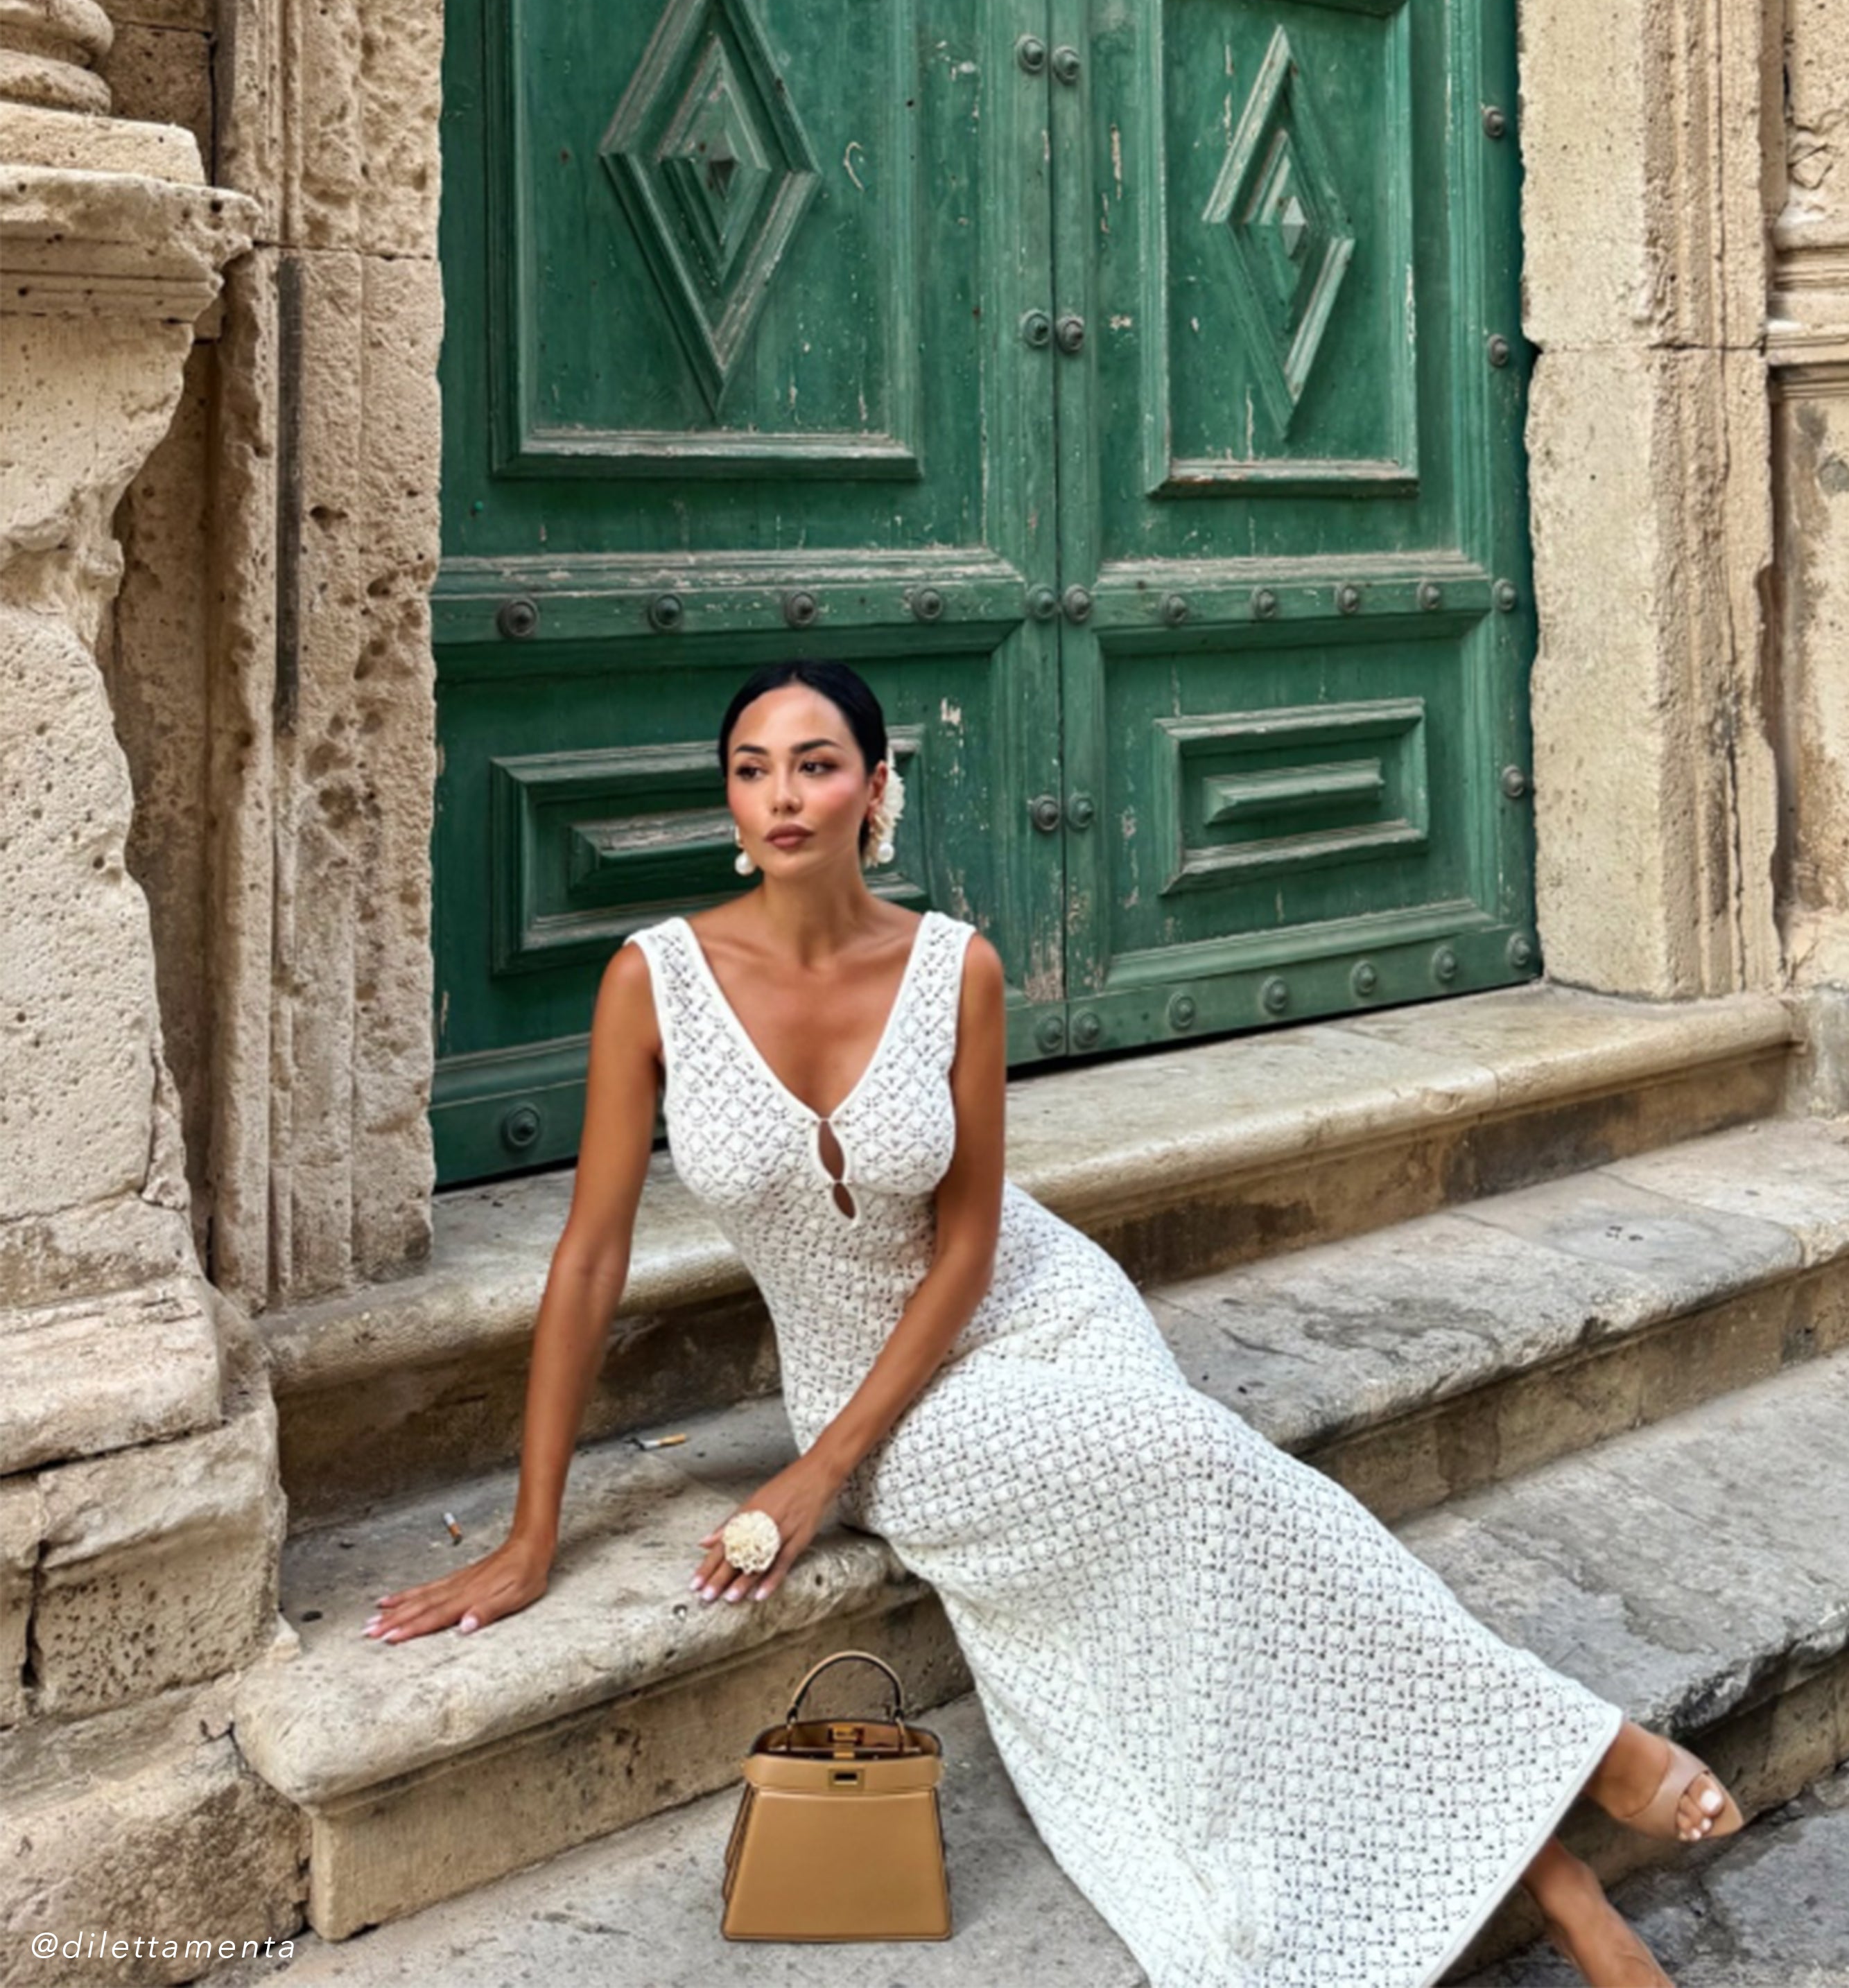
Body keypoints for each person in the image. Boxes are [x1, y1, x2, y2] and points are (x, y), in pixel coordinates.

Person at [367, 656, 1744, 1987]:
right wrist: (534, 1530)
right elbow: (592, 1250)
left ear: (873, 786)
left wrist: (814, 1474)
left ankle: (1559, 1848)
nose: (780, 794)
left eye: (815, 763)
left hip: (1034, 1304)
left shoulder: (951, 966)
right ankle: (1573, 1797)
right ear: (727, 799)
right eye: (749, 768)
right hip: (880, 1389)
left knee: (1192, 1490)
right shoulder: (650, 979)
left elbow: (967, 1244)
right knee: (1198, 1472)